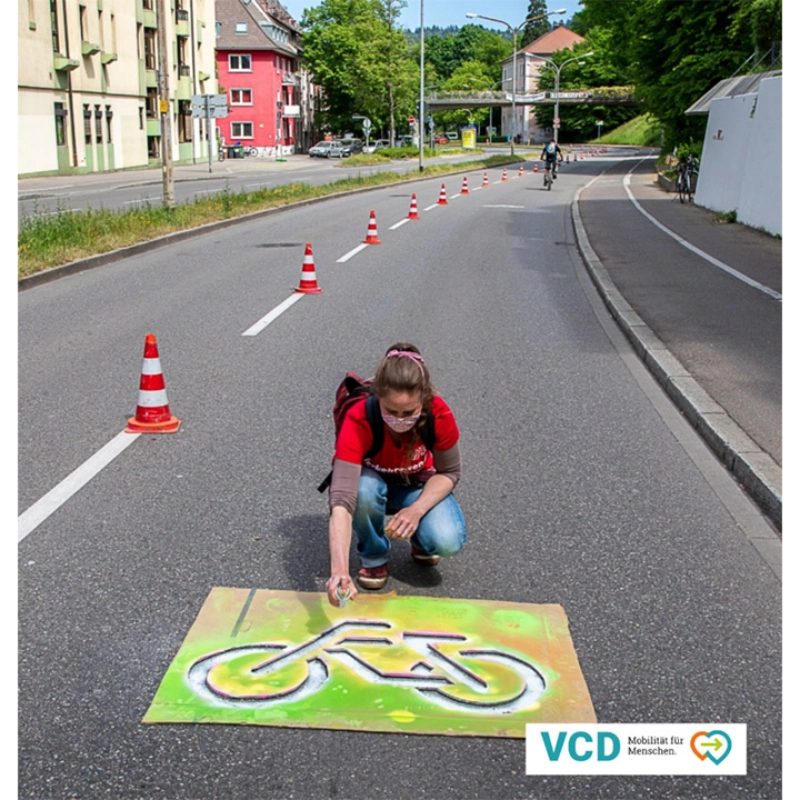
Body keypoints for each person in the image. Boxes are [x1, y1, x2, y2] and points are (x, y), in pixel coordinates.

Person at [326, 343, 467, 606]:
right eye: (390, 411)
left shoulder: (438, 412)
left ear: (423, 400)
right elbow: (342, 502)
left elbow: (449, 472)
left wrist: (416, 511)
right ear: (377, 397)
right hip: (372, 484)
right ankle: (374, 555)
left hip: (416, 485)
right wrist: (339, 571)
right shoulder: (359, 416)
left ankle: (421, 540)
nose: (399, 420)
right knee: (362, 490)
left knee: (447, 541)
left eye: (409, 412)